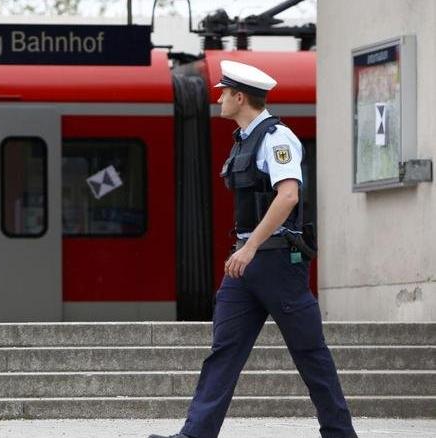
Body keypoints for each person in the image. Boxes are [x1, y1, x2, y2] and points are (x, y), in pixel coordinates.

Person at [149, 60, 358, 438]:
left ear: (239, 96)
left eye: (224, 93)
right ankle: (194, 434)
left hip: (278, 262)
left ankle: (340, 433)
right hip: (247, 263)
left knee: (310, 354)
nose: (220, 100)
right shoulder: (245, 138)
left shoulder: (277, 138)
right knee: (223, 351)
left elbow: (288, 196)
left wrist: (250, 248)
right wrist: (244, 250)